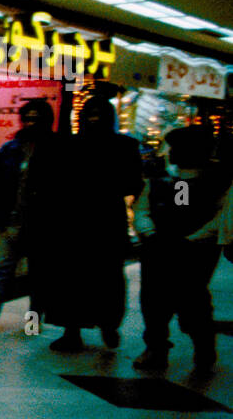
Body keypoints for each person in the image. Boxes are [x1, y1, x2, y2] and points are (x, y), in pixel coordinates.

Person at [43, 95, 143, 352]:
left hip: (77, 219)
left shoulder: (69, 146)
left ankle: (76, 329)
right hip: (104, 218)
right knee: (103, 277)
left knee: (76, 277)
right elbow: (133, 184)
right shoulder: (125, 146)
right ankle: (105, 325)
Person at [131, 127, 231, 373]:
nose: (172, 153)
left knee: (192, 297)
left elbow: (223, 216)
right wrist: (151, 234)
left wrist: (193, 239)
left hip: (196, 251)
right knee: (153, 298)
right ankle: (156, 347)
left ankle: (203, 345)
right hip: (161, 247)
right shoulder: (160, 179)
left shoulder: (218, 181)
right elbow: (143, 209)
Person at [0, 98, 59, 334]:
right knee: (2, 270)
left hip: (41, 224)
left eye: (34, 119)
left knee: (38, 277)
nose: (29, 123)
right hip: (12, 221)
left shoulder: (56, 149)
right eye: (26, 119)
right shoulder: (10, 150)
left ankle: (32, 322)